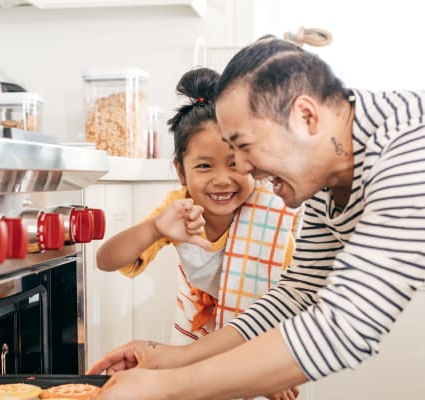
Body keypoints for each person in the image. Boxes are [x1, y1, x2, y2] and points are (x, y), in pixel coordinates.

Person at [87, 36, 425, 400]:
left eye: (246, 147)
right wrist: (173, 358)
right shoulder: (326, 181)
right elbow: (301, 293)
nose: (245, 169)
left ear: (305, 118)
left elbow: (347, 328)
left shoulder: (418, 151)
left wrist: (167, 389)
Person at [95, 67, 300, 387]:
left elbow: (290, 299)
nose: (221, 179)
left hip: (267, 349)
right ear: (180, 170)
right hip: (192, 348)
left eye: (234, 164)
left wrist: (272, 371)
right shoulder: (179, 209)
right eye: (204, 166)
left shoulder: (273, 209)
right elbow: (106, 260)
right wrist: (155, 230)